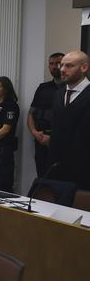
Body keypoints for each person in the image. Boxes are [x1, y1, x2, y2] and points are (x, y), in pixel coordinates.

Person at [49, 50, 90, 190]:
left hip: (84, 169)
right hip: (57, 167)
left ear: (84, 68)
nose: (62, 70)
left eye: (69, 66)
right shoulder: (58, 95)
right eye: (62, 66)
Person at [27, 52, 64, 176]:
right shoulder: (43, 88)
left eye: (58, 63)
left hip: (61, 143)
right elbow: (31, 113)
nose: (54, 67)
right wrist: (34, 133)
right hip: (41, 139)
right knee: (42, 177)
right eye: (51, 64)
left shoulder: (71, 88)